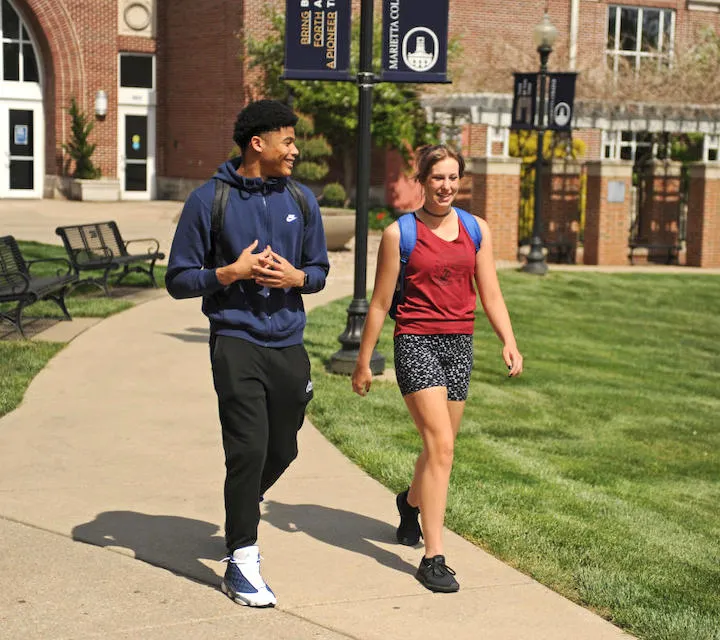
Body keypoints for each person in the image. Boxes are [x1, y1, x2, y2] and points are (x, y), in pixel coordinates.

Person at [166, 100, 329, 607]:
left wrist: (298, 278)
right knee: (248, 449)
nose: (295, 150)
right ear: (258, 144)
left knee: (284, 448)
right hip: (234, 340)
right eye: (288, 141)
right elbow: (176, 280)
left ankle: (243, 503)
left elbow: (319, 270)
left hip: (288, 341)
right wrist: (228, 274)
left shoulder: (301, 201)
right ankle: (242, 558)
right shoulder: (207, 201)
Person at [351, 144, 523, 593]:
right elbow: (380, 303)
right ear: (421, 181)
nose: (446, 186)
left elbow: (492, 293)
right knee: (442, 445)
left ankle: (409, 504)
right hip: (415, 341)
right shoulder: (400, 234)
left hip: (459, 344)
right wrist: (364, 360)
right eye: (437, 178)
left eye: (452, 178)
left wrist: (509, 339)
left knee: (438, 449)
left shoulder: (475, 229)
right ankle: (434, 557)